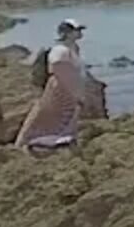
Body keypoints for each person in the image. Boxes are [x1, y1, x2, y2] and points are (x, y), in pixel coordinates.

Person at [15, 19, 87, 151]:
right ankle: (41, 142)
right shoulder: (60, 50)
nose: (80, 33)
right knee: (56, 115)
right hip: (62, 88)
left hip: (68, 87)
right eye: (77, 30)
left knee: (66, 116)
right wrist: (74, 92)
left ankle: (58, 140)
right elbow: (57, 68)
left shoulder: (72, 48)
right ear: (67, 33)